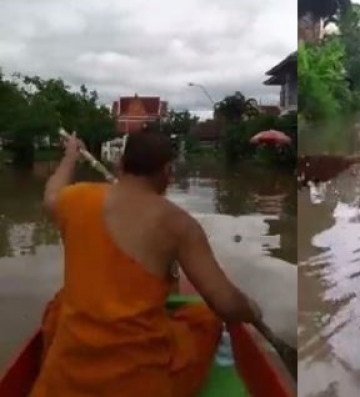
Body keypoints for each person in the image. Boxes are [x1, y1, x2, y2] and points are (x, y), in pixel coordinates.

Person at [31, 130, 262, 397]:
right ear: (168, 171)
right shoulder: (178, 224)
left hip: (69, 375)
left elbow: (51, 194)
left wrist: (70, 155)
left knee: (58, 308)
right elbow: (226, 304)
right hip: (138, 380)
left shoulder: (76, 198)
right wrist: (252, 310)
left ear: (120, 163)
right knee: (206, 320)